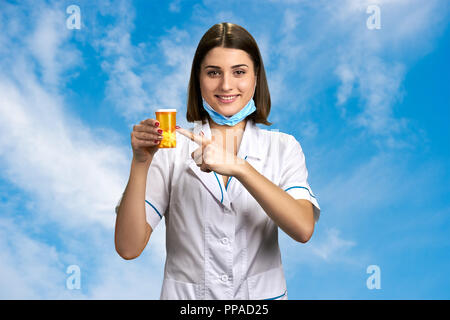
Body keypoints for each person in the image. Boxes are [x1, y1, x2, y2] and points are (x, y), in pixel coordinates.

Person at [114, 22, 321, 300]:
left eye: (239, 72)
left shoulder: (283, 147)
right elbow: (128, 248)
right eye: (213, 73)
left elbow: (303, 228)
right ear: (198, 78)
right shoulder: (170, 148)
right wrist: (140, 163)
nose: (226, 85)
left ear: (256, 77)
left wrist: (239, 167)